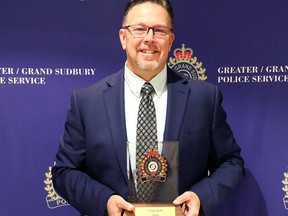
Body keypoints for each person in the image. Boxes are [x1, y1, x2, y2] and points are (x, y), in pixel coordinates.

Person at [52, 0, 245, 215]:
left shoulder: (204, 98)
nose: (149, 38)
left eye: (159, 31)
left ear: (170, 41)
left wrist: (201, 196)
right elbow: (64, 172)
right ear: (123, 38)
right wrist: (105, 202)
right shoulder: (87, 101)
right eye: (139, 29)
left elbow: (231, 162)